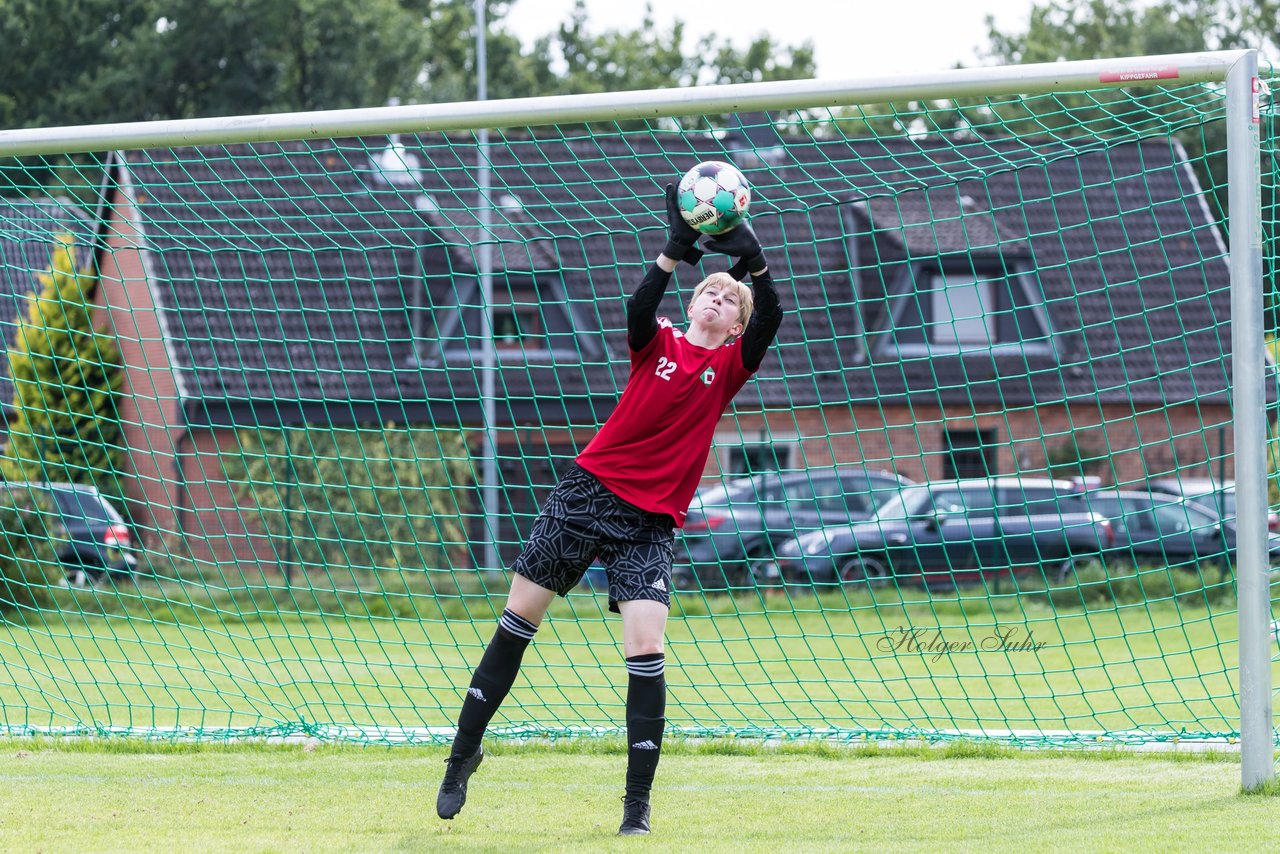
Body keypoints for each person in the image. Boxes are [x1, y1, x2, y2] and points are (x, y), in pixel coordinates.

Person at [436, 183, 784, 836]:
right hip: (586, 495)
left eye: (726, 296)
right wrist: (673, 253)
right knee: (517, 622)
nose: (715, 296)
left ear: (736, 324)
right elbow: (637, 307)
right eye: (707, 289)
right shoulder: (658, 345)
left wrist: (756, 265)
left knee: (647, 647)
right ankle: (460, 757)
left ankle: (636, 812)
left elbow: (773, 319)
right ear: (692, 303)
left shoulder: (732, 366)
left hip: (649, 525)